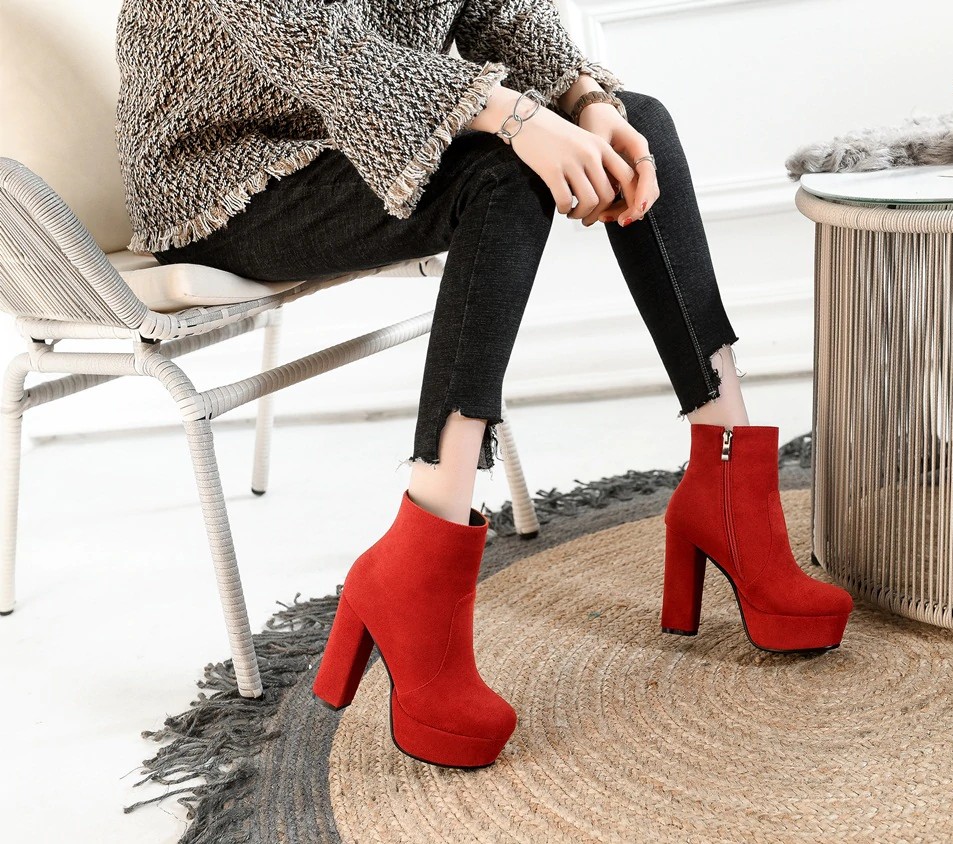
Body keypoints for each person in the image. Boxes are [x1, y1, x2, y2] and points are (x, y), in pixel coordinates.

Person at [117, 0, 854, 771]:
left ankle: (727, 485)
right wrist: (515, 117)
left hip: (366, 130)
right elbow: (311, 43)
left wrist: (586, 102)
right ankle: (417, 560)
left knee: (640, 122)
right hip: (222, 177)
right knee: (503, 172)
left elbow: (499, 11)